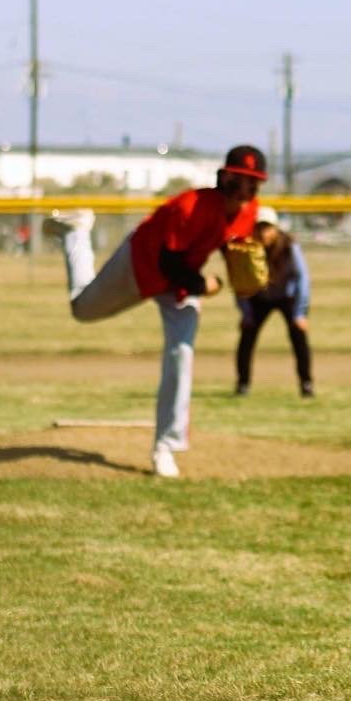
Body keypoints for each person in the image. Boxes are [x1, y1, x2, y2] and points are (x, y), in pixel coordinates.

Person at [50, 144, 266, 478]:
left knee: (182, 354)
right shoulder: (189, 206)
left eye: (253, 184)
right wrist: (205, 285)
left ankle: (166, 446)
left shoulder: (249, 212)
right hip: (143, 264)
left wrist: (239, 275)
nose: (245, 190)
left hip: (180, 285)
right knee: (82, 309)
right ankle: (76, 232)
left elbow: (227, 244)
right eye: (239, 180)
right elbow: (169, 262)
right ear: (224, 177)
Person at [234, 209, 314, 398]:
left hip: (287, 297)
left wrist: (300, 313)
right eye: (259, 228)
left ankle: (306, 383)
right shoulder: (247, 247)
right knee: (247, 337)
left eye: (267, 228)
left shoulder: (289, 246)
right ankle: (242, 384)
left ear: (275, 229)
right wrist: (246, 313)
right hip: (258, 299)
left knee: (299, 337)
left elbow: (302, 277)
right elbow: (240, 280)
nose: (263, 233)